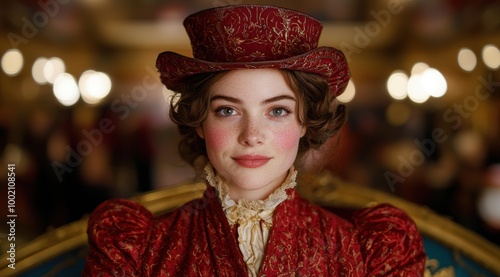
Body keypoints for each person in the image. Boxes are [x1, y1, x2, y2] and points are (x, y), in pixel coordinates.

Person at [83, 4, 426, 276]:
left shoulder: (370, 250)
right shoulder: (137, 248)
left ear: (305, 121)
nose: (252, 137)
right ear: (200, 121)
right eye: (227, 111)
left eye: (277, 111)